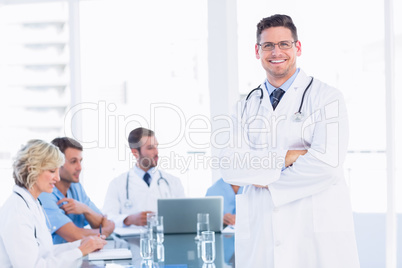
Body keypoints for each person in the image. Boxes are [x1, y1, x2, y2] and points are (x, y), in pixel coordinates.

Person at [220, 14, 360, 268]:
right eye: (268, 45)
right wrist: (289, 157)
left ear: (298, 47)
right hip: (261, 237)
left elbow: (327, 167)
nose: (276, 52)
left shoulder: (327, 98)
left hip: (314, 235)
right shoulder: (244, 107)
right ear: (257, 50)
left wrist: (262, 175)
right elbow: (230, 167)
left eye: (284, 44)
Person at [0, 139, 107, 267]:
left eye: (57, 171)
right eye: (51, 171)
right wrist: (80, 251)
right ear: (32, 169)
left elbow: (46, 252)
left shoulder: (33, 203)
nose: (57, 178)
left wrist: (80, 244)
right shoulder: (17, 212)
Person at [103, 127, 185, 227]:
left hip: (164, 240)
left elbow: (183, 216)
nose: (157, 152)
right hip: (129, 242)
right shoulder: (117, 184)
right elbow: (107, 218)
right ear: (135, 153)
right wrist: (128, 219)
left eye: (156, 147)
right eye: (150, 148)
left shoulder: (173, 182)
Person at [39, 137, 115, 244]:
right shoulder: (45, 194)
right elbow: (75, 236)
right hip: (58, 258)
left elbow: (100, 222)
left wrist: (85, 209)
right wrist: (105, 231)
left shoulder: (76, 187)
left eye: (80, 161)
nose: (79, 167)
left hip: (80, 255)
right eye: (73, 162)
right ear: (56, 164)